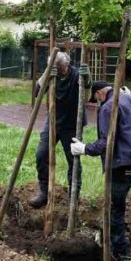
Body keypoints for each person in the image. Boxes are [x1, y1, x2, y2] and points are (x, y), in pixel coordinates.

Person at [69, 81, 131, 261]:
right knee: (115, 201)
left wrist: (84, 148)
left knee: (115, 207)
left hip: (124, 162)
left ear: (99, 93)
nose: (97, 102)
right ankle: (108, 237)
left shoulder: (107, 108)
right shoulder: (130, 97)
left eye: (96, 99)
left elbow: (107, 141)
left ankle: (120, 253)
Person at [29, 51, 90, 208]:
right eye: (56, 67)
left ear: (67, 64)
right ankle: (44, 192)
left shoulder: (76, 75)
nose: (60, 69)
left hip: (72, 125)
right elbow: (37, 93)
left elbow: (88, 90)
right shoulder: (52, 76)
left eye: (61, 66)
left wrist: (88, 78)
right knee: (41, 155)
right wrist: (47, 73)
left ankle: (73, 196)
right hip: (53, 122)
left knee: (73, 159)